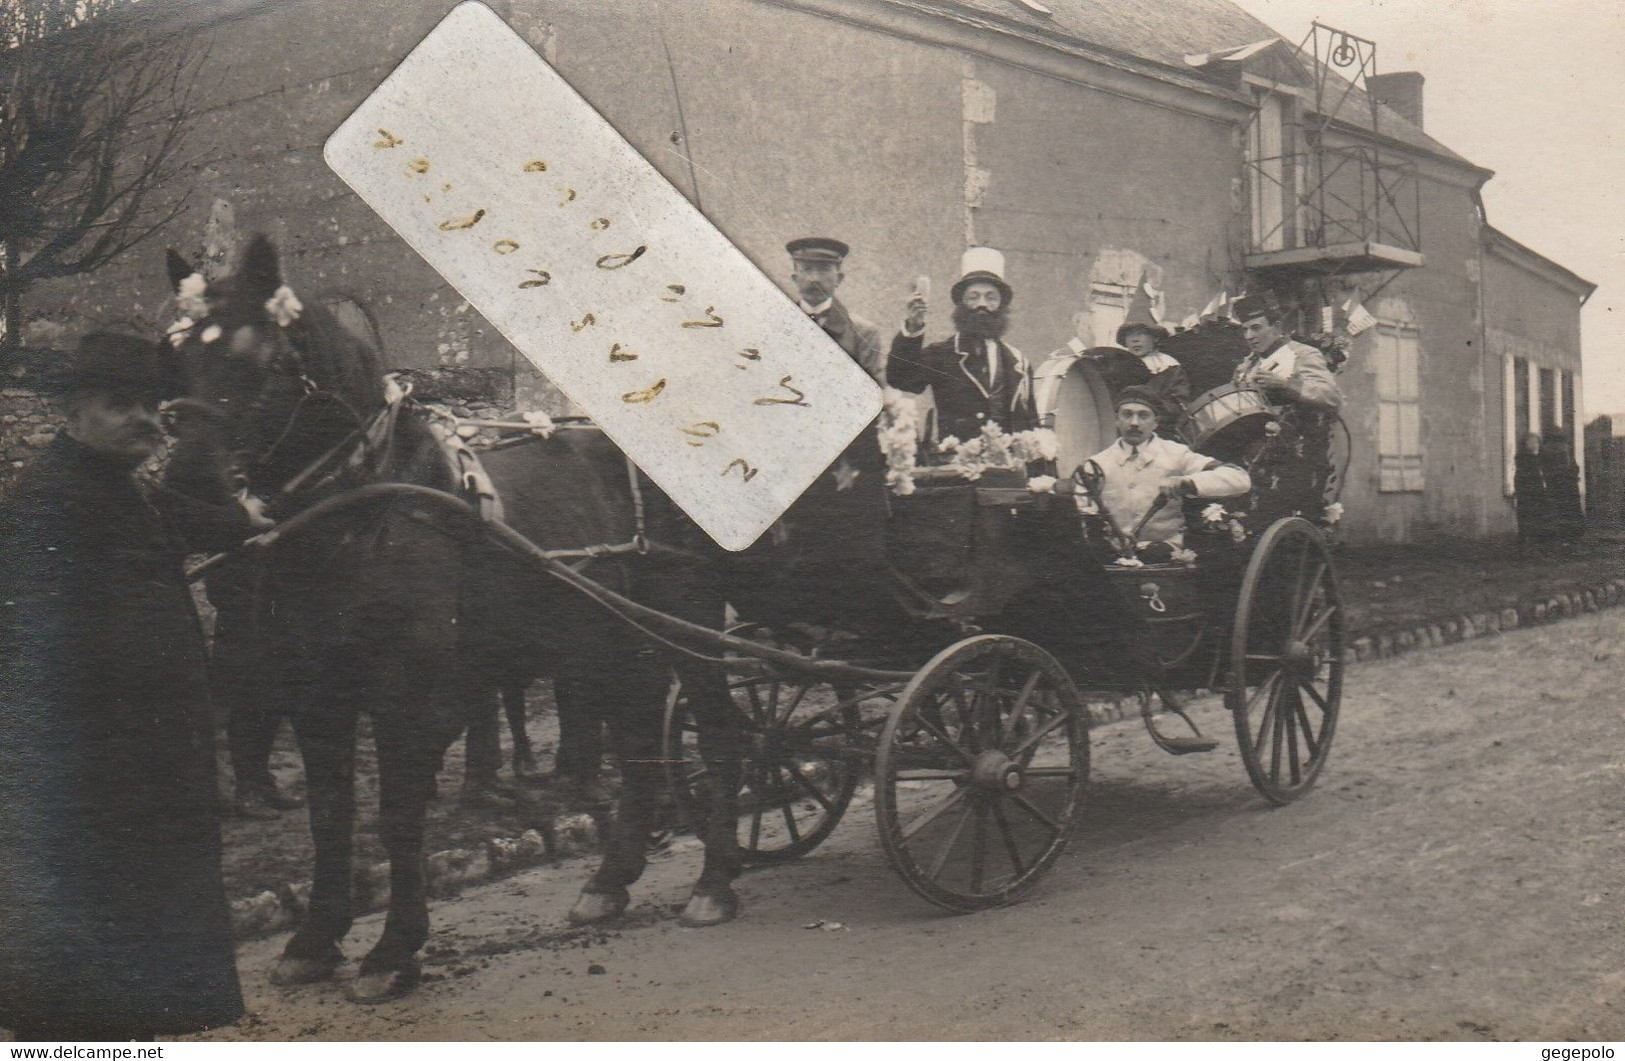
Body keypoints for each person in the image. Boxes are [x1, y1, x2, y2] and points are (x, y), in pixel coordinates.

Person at [0, 333, 247, 1041]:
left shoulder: (112, 483)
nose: (143, 419)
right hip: (97, 772)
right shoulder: (47, 504)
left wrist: (245, 520)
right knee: (92, 970)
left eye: (149, 404)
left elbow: (182, 516)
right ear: (73, 414)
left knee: (142, 958)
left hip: (146, 763)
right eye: (120, 405)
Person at [888, 247, 1037, 444]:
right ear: (962, 304)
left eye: (991, 297)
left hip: (1006, 470)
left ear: (1001, 304)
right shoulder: (942, 354)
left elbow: (1031, 423)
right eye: (973, 297)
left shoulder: (1018, 362)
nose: (982, 305)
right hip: (955, 468)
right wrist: (913, 329)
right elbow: (901, 380)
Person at [1081, 385, 1251, 549]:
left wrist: (1186, 482)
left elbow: (1239, 478)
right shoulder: (1097, 463)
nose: (1134, 423)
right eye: (1127, 415)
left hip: (1166, 554)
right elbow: (1082, 508)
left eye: (1143, 415)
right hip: (1111, 557)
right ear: (1116, 420)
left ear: (1156, 422)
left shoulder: (1176, 454)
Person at [1230, 295, 1342, 410]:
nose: (1249, 336)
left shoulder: (1303, 353)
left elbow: (1332, 396)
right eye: (1245, 330)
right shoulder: (1247, 365)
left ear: (1277, 327)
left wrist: (1286, 385)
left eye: (1256, 328)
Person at [1116, 321, 1190, 438]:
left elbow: (1178, 406)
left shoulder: (1169, 367)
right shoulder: (1114, 366)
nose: (1135, 340)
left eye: (1141, 333)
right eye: (1129, 335)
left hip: (1160, 431)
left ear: (1155, 338)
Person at [1541, 426, 1585, 545]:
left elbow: (1573, 467)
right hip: (1564, 485)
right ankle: (1570, 538)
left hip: (1560, 485)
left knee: (1562, 511)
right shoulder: (1562, 449)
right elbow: (1573, 467)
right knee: (1567, 511)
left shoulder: (1546, 450)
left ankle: (1565, 538)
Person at [1513, 431, 1548, 557]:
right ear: (1525, 445)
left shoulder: (1541, 458)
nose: (1534, 444)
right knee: (1527, 522)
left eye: (1536, 441)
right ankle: (1525, 550)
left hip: (1539, 494)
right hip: (1528, 495)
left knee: (1539, 522)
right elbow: (1521, 479)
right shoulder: (1524, 460)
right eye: (1530, 442)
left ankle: (1536, 549)